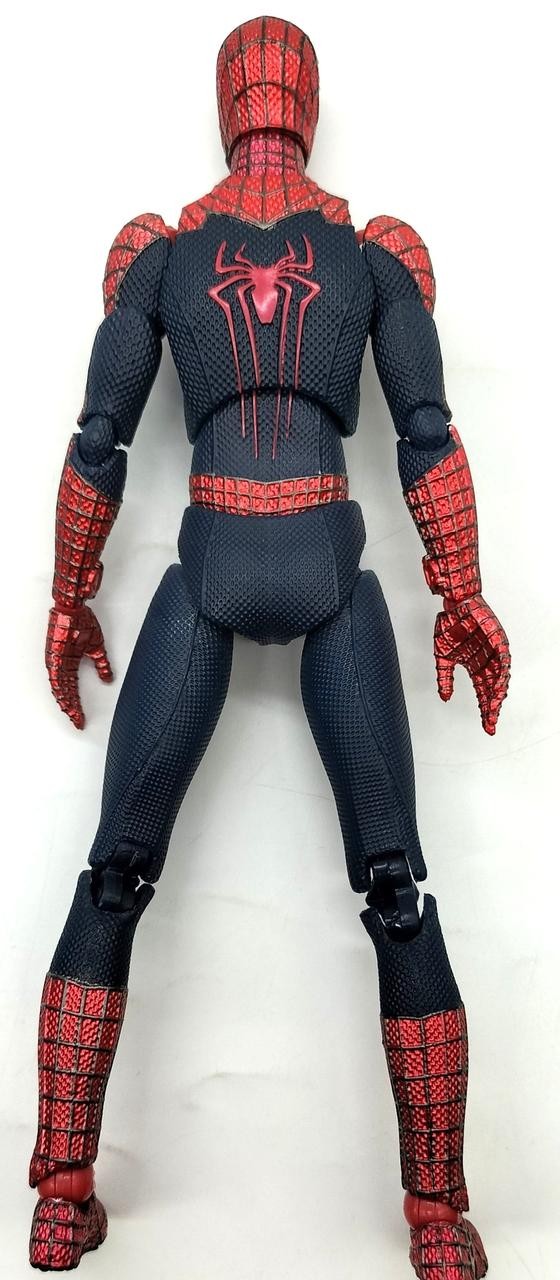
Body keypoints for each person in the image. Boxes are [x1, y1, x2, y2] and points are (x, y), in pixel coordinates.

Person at [28, 16, 510, 1277]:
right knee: (394, 888)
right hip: (329, 560)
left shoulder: (158, 253)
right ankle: (435, 1217)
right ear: (307, 103)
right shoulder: (372, 252)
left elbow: (97, 440)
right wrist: (460, 588)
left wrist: (70, 591)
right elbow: (424, 428)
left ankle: (60, 1191)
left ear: (225, 102)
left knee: (114, 874)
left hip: (206, 560)